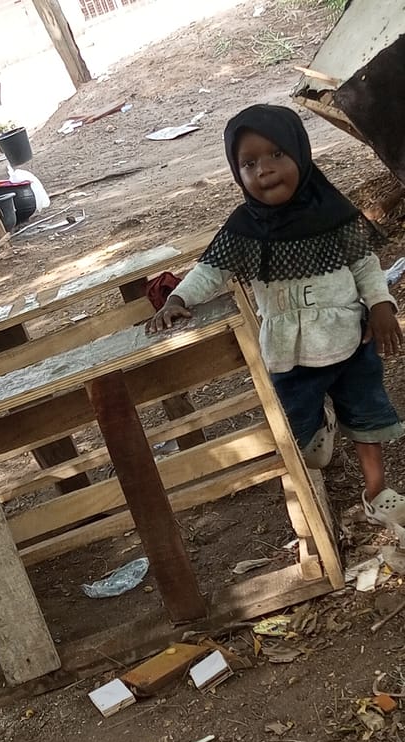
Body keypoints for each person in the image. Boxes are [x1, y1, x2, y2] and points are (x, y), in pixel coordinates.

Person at [147, 104, 405, 547]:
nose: (264, 170)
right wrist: (177, 297)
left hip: (350, 342)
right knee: (301, 439)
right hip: (289, 356)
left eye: (276, 155)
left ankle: (377, 491)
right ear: (237, 171)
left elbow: (363, 263)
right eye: (249, 163)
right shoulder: (244, 228)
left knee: (367, 417)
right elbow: (212, 270)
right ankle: (318, 432)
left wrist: (381, 303)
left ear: (300, 155)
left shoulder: (332, 210)